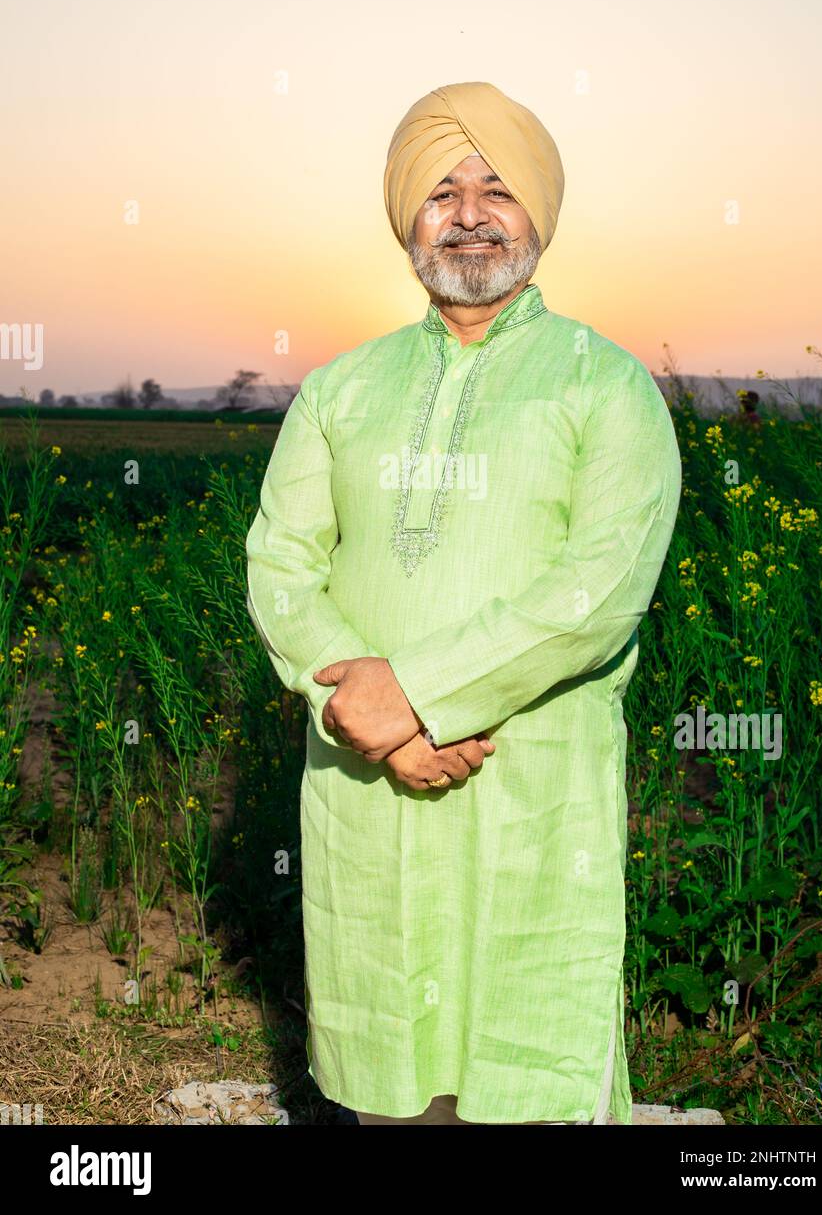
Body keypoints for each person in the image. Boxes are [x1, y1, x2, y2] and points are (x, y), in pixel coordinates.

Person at [245, 80, 682, 1125]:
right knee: (389, 1084)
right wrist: (371, 717)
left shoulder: (606, 385)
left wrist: (423, 696)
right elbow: (279, 567)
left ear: (537, 214)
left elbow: (599, 591)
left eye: (497, 189)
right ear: (407, 221)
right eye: (441, 191)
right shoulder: (339, 390)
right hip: (366, 781)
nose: (471, 212)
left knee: (525, 1073)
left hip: (529, 781)